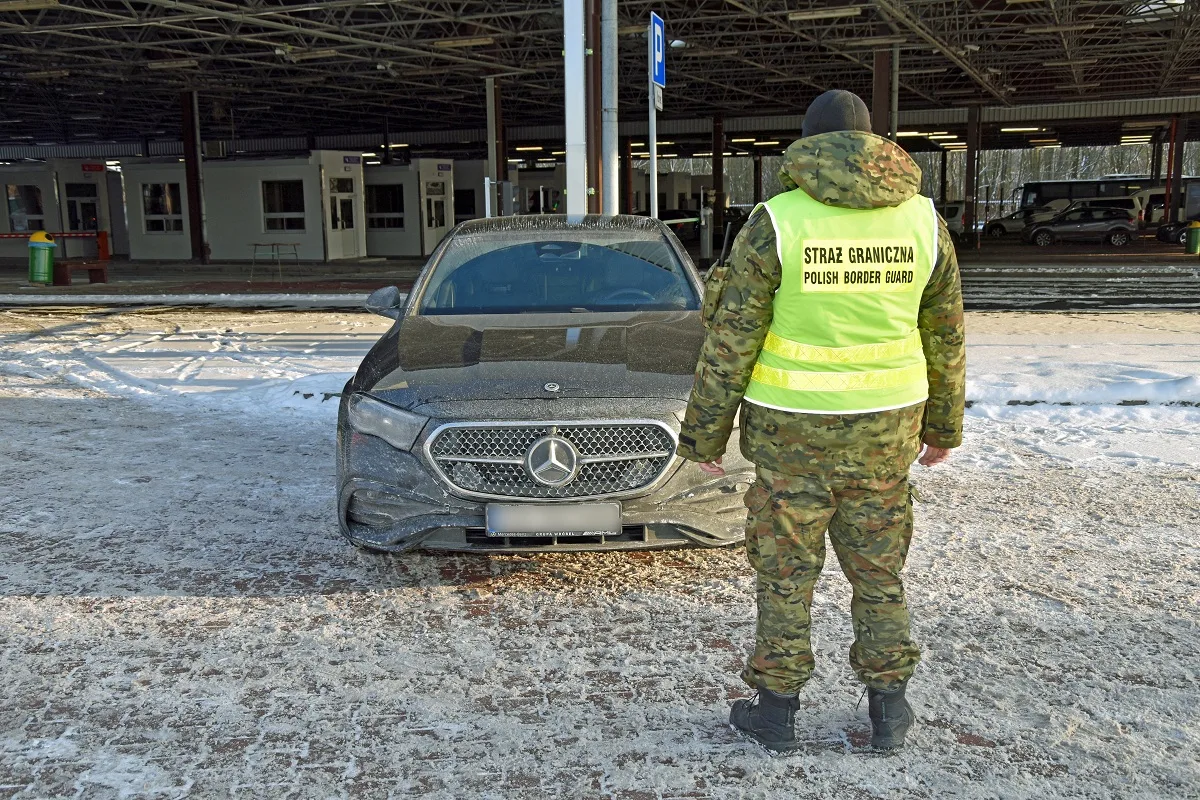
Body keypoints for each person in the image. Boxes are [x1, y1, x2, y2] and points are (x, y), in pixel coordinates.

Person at [677, 89, 966, 752]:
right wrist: (943, 427)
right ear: (875, 142)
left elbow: (732, 337)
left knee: (785, 574)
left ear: (807, 144)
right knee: (879, 575)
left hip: (791, 434)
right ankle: (890, 710)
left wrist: (704, 434)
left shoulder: (777, 220)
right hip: (887, 433)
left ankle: (776, 711)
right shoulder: (923, 221)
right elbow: (944, 331)